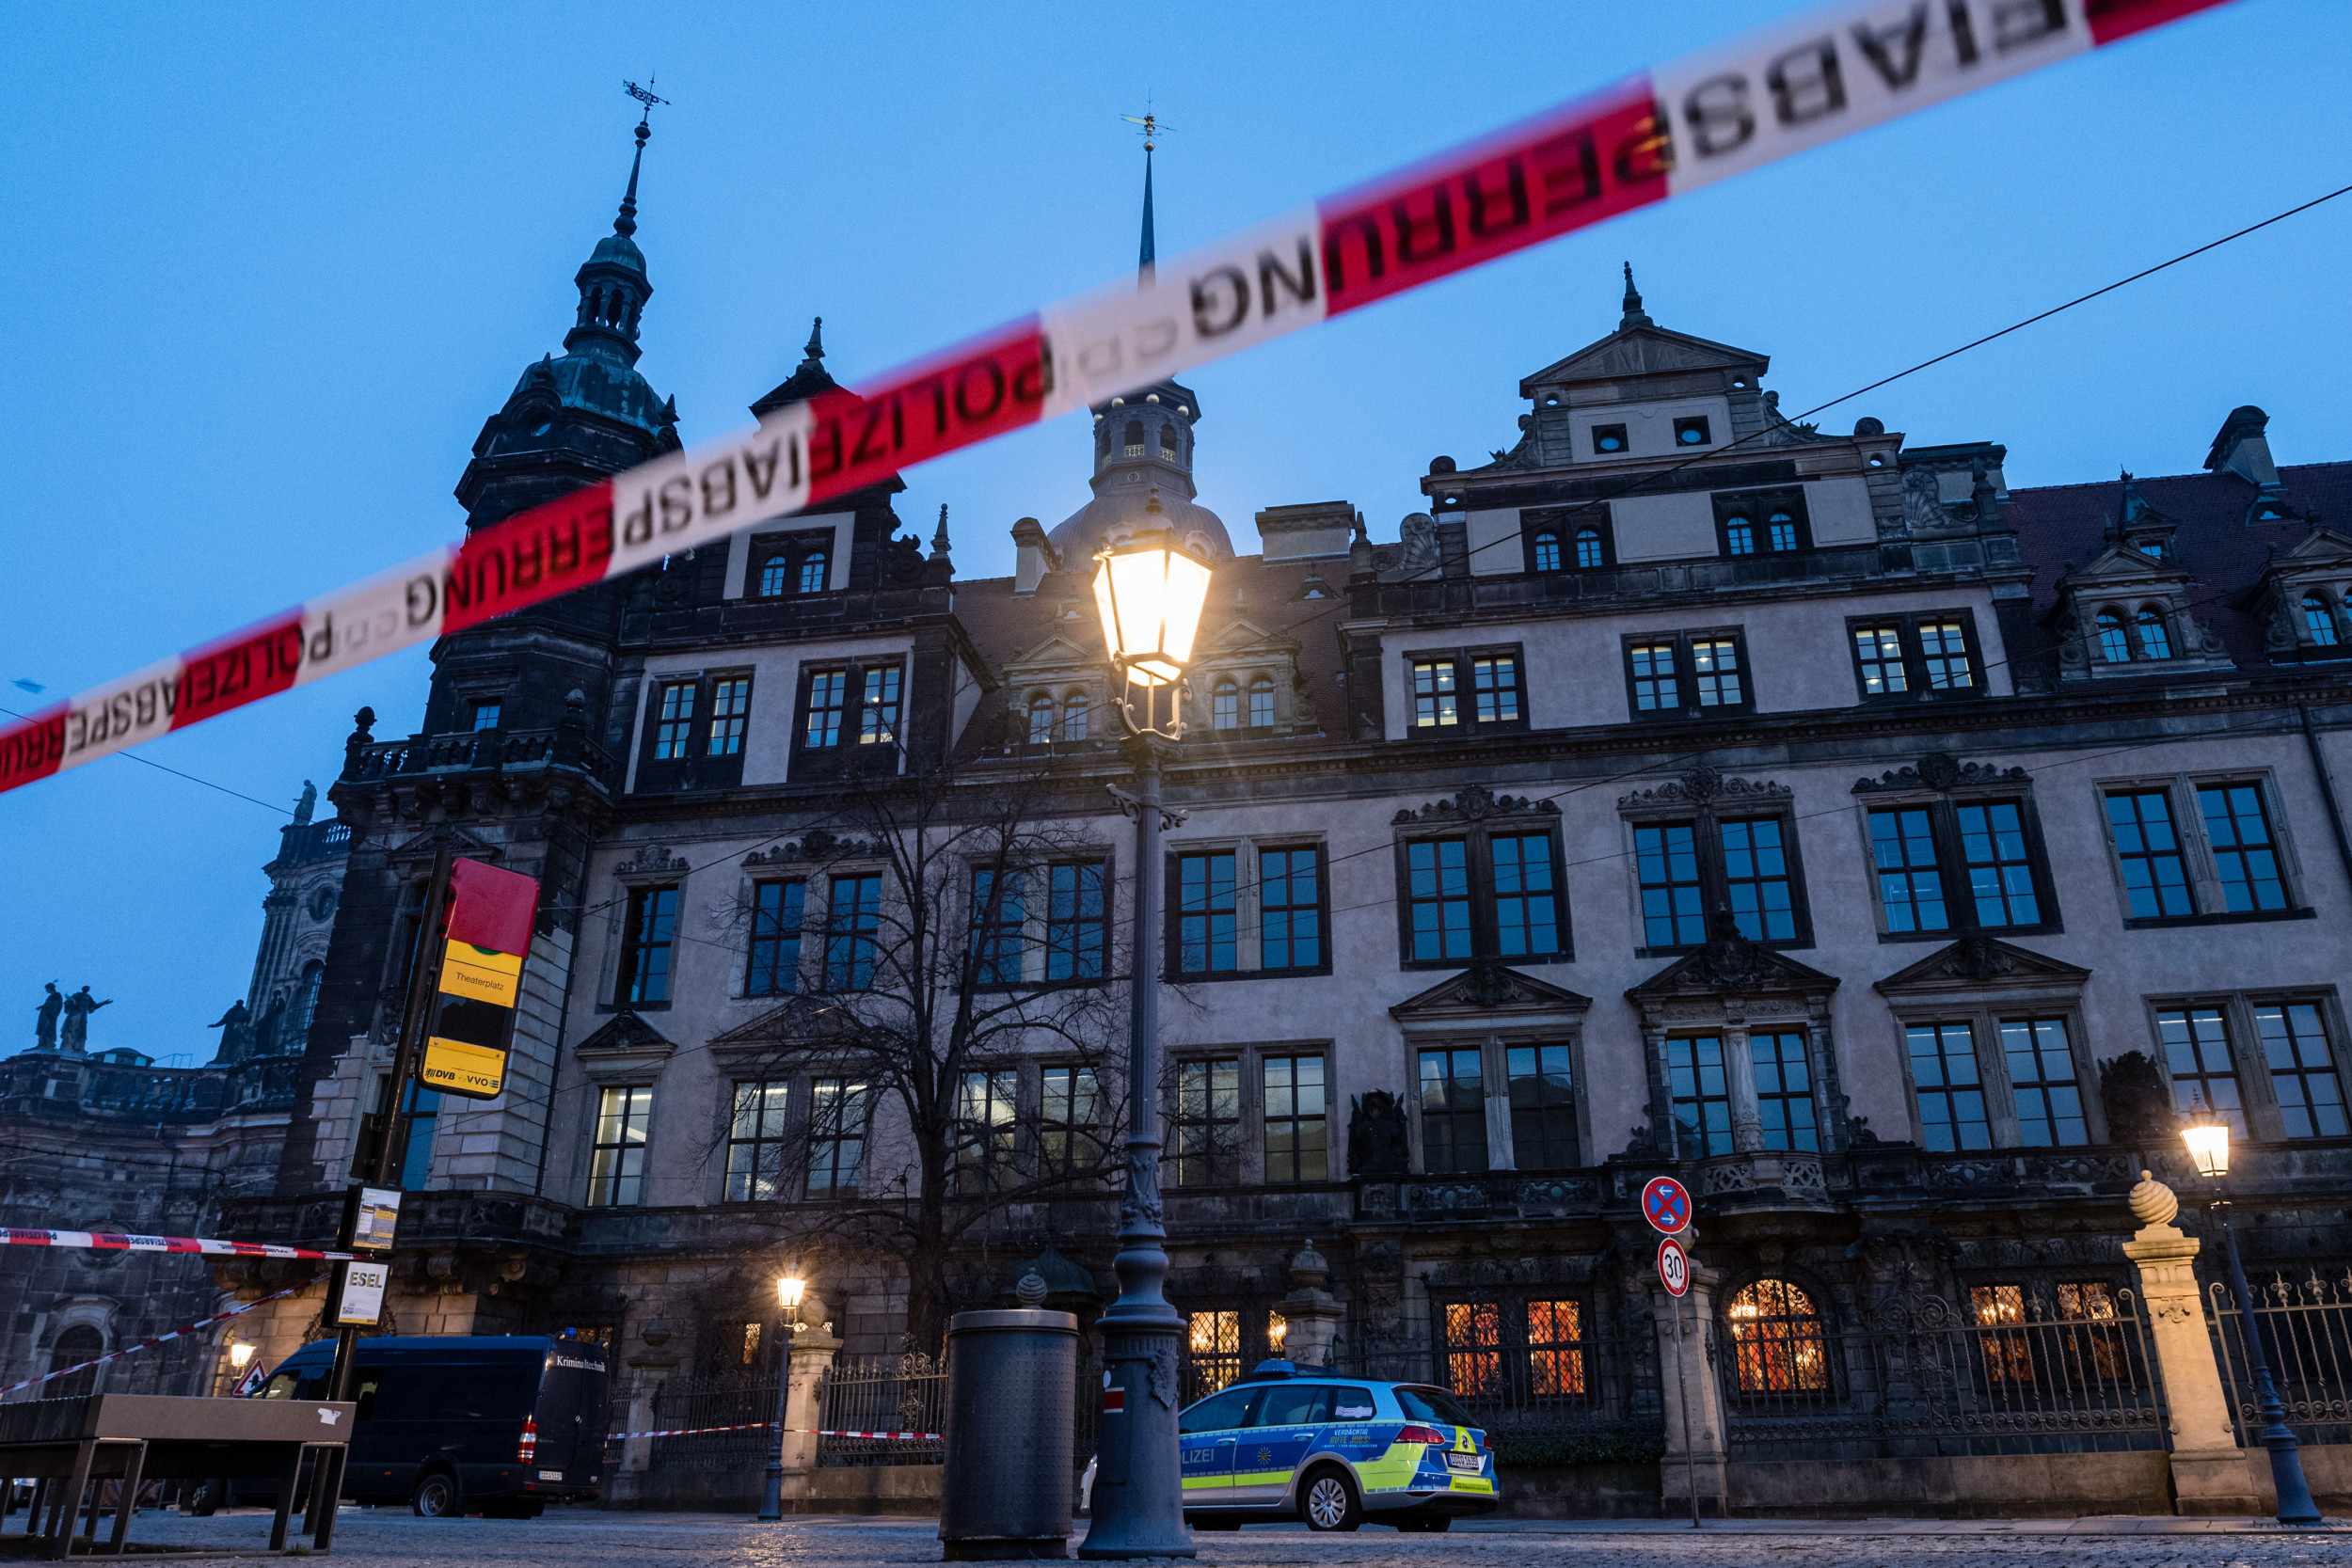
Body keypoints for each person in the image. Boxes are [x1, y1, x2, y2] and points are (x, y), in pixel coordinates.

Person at [58, 987, 112, 1053]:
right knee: (71, 1029)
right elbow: (69, 1002)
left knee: (81, 1032)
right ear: (82, 989)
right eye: (86, 988)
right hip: (75, 1014)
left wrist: (103, 1003)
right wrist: (73, 1005)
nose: (86, 990)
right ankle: (68, 1045)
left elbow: (94, 1006)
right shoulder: (77, 995)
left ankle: (77, 1047)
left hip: (82, 1017)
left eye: (87, 989)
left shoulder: (88, 998)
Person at [33, 982, 61, 1051]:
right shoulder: (51, 996)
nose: (46, 991)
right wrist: (41, 1007)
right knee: (42, 1028)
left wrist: (52, 1013)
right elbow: (47, 1004)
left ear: (50, 989)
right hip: (44, 1015)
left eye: (47, 989)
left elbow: (57, 1006)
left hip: (50, 1016)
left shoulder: (57, 995)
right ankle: (41, 1043)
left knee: (48, 1028)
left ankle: (47, 1043)